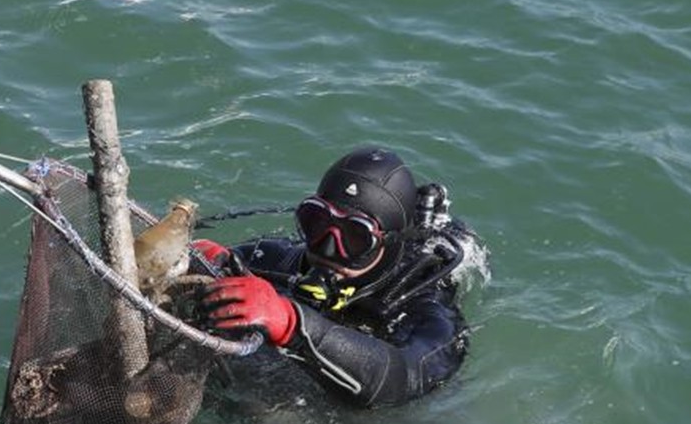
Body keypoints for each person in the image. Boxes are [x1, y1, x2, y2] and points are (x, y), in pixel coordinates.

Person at [194, 146, 478, 408]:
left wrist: (293, 323)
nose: (329, 248)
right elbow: (212, 264)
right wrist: (205, 263)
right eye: (317, 222)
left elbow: (406, 376)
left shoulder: (426, 310)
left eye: (355, 237)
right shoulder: (279, 259)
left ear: (388, 243)